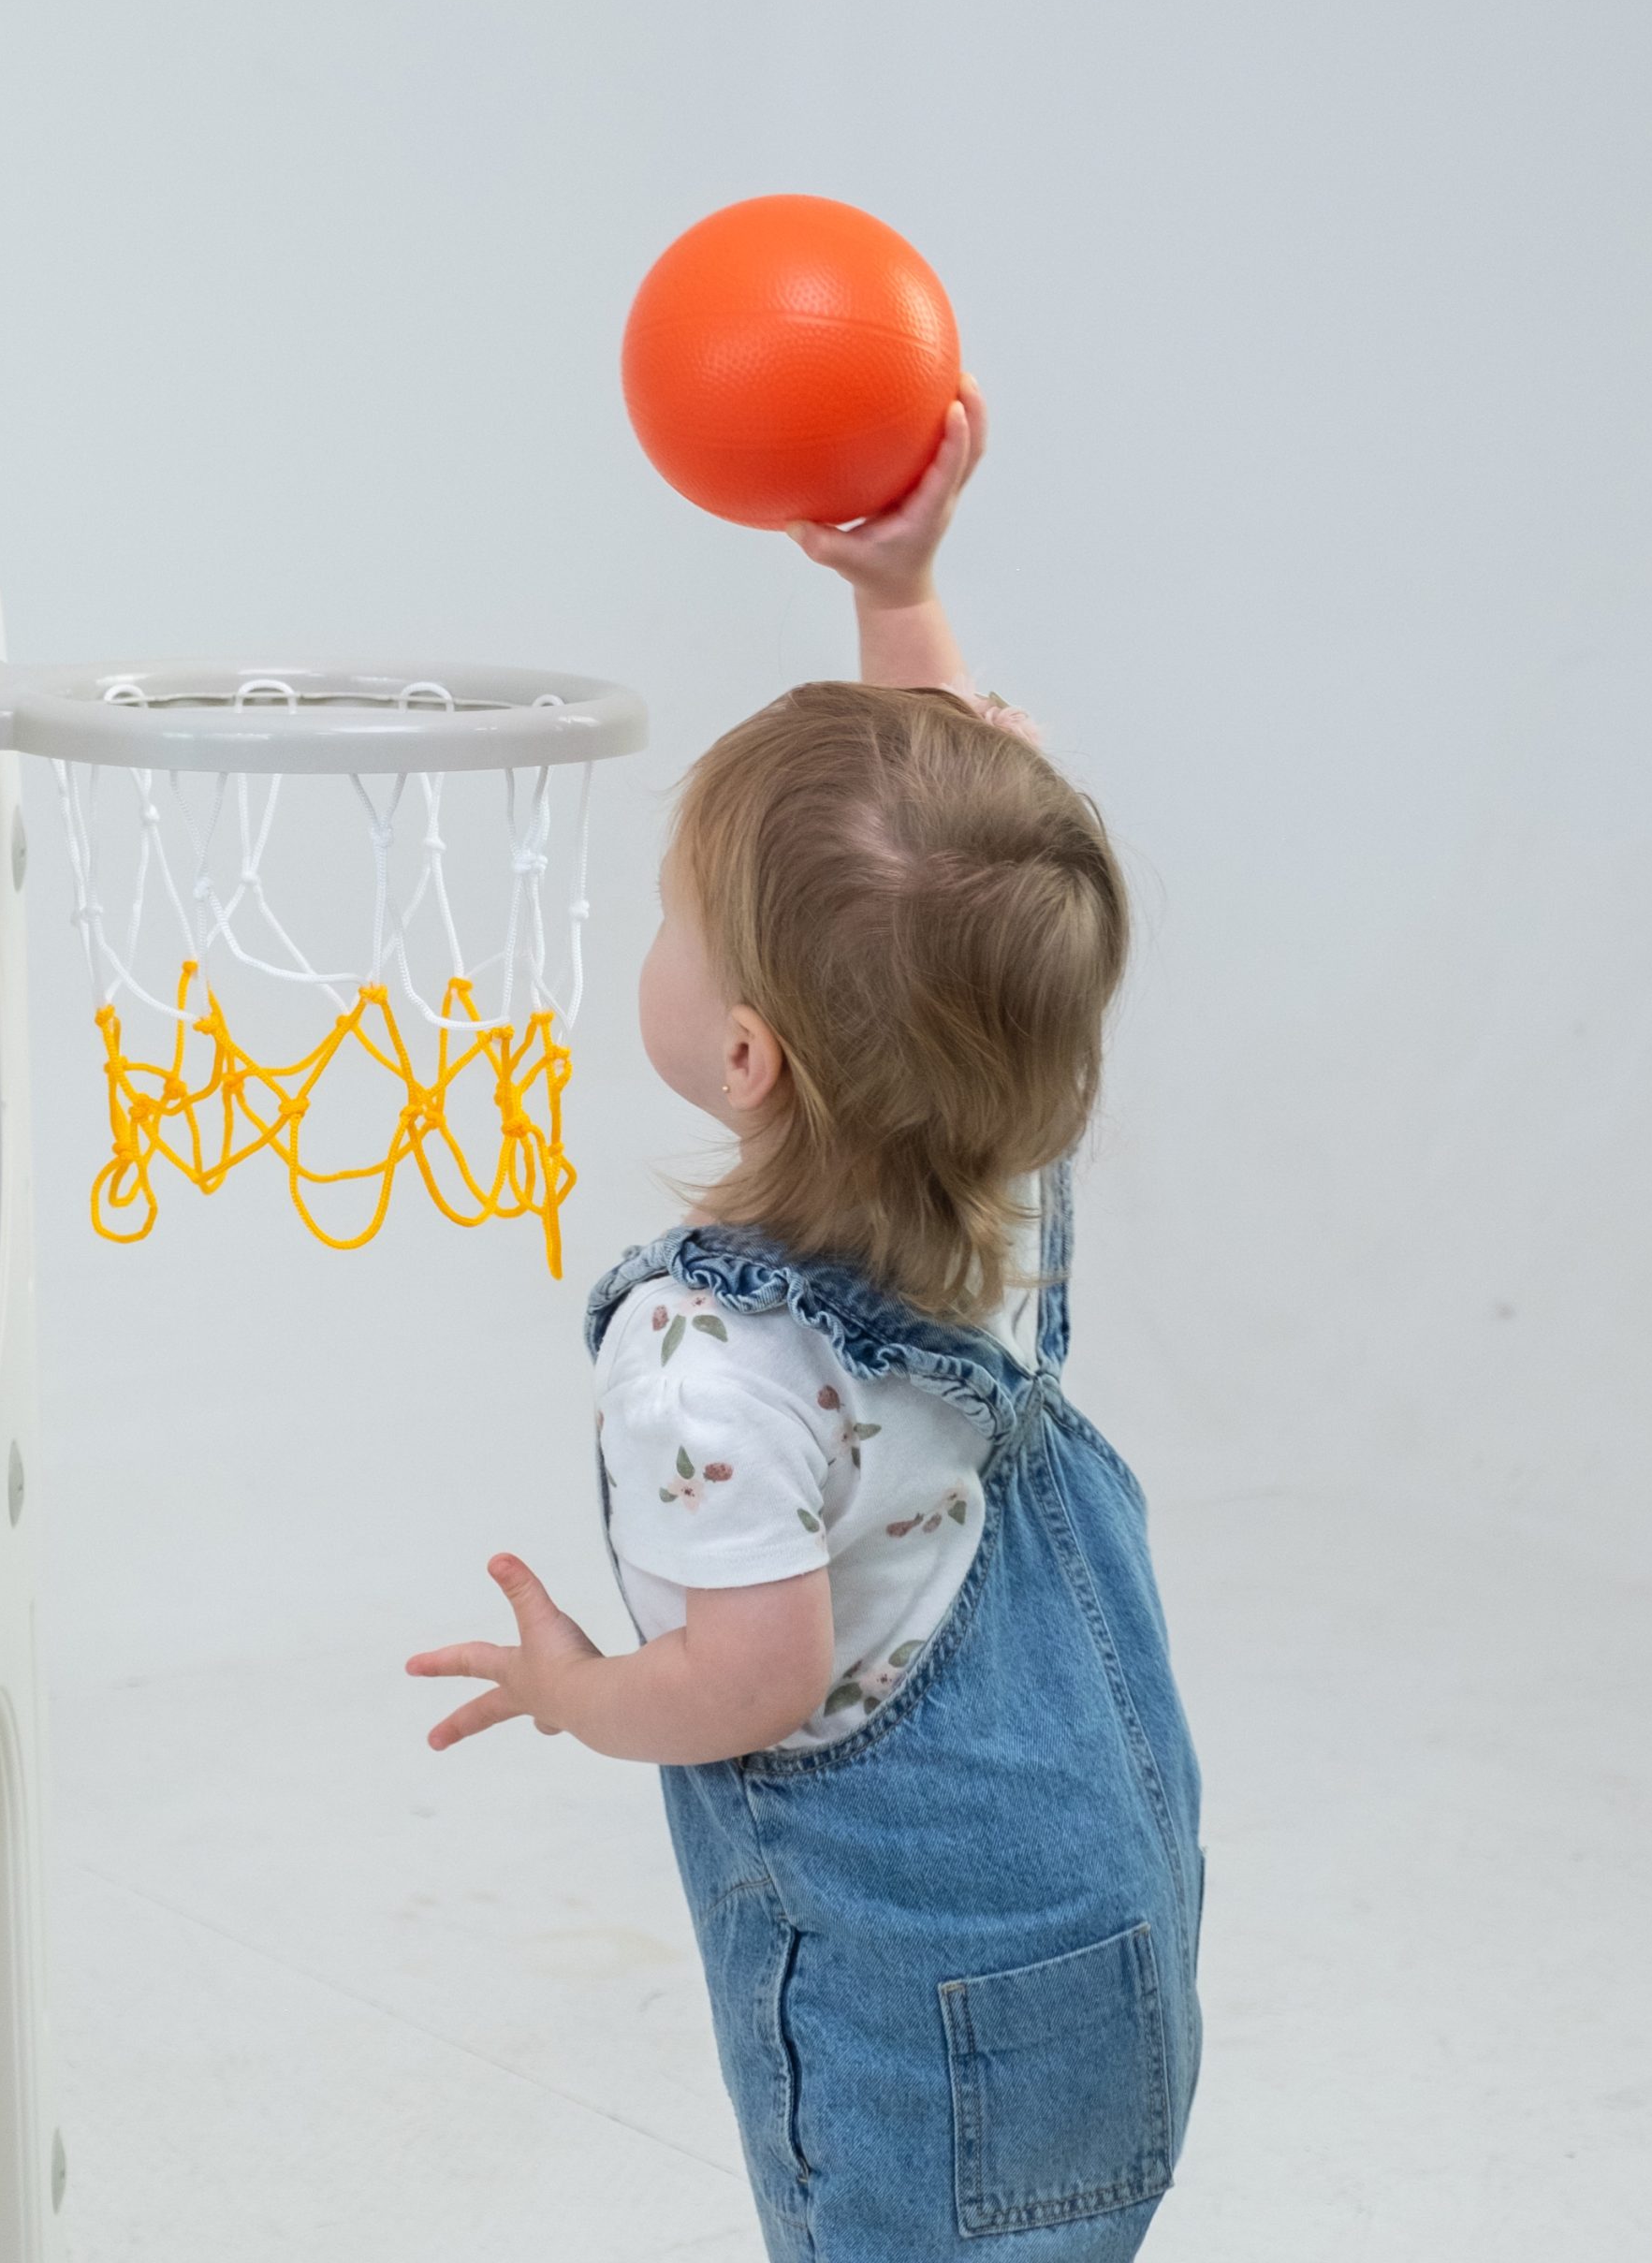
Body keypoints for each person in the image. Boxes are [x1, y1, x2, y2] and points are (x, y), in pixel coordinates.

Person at [408, 377, 1203, 2260]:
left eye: (675, 919)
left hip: (923, 2021)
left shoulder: (699, 1365)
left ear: (748, 1055)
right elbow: (950, 867)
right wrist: (897, 590)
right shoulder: (989, 1181)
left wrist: (573, 1694)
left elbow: (748, 1681)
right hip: (1109, 1936)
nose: (657, 940)